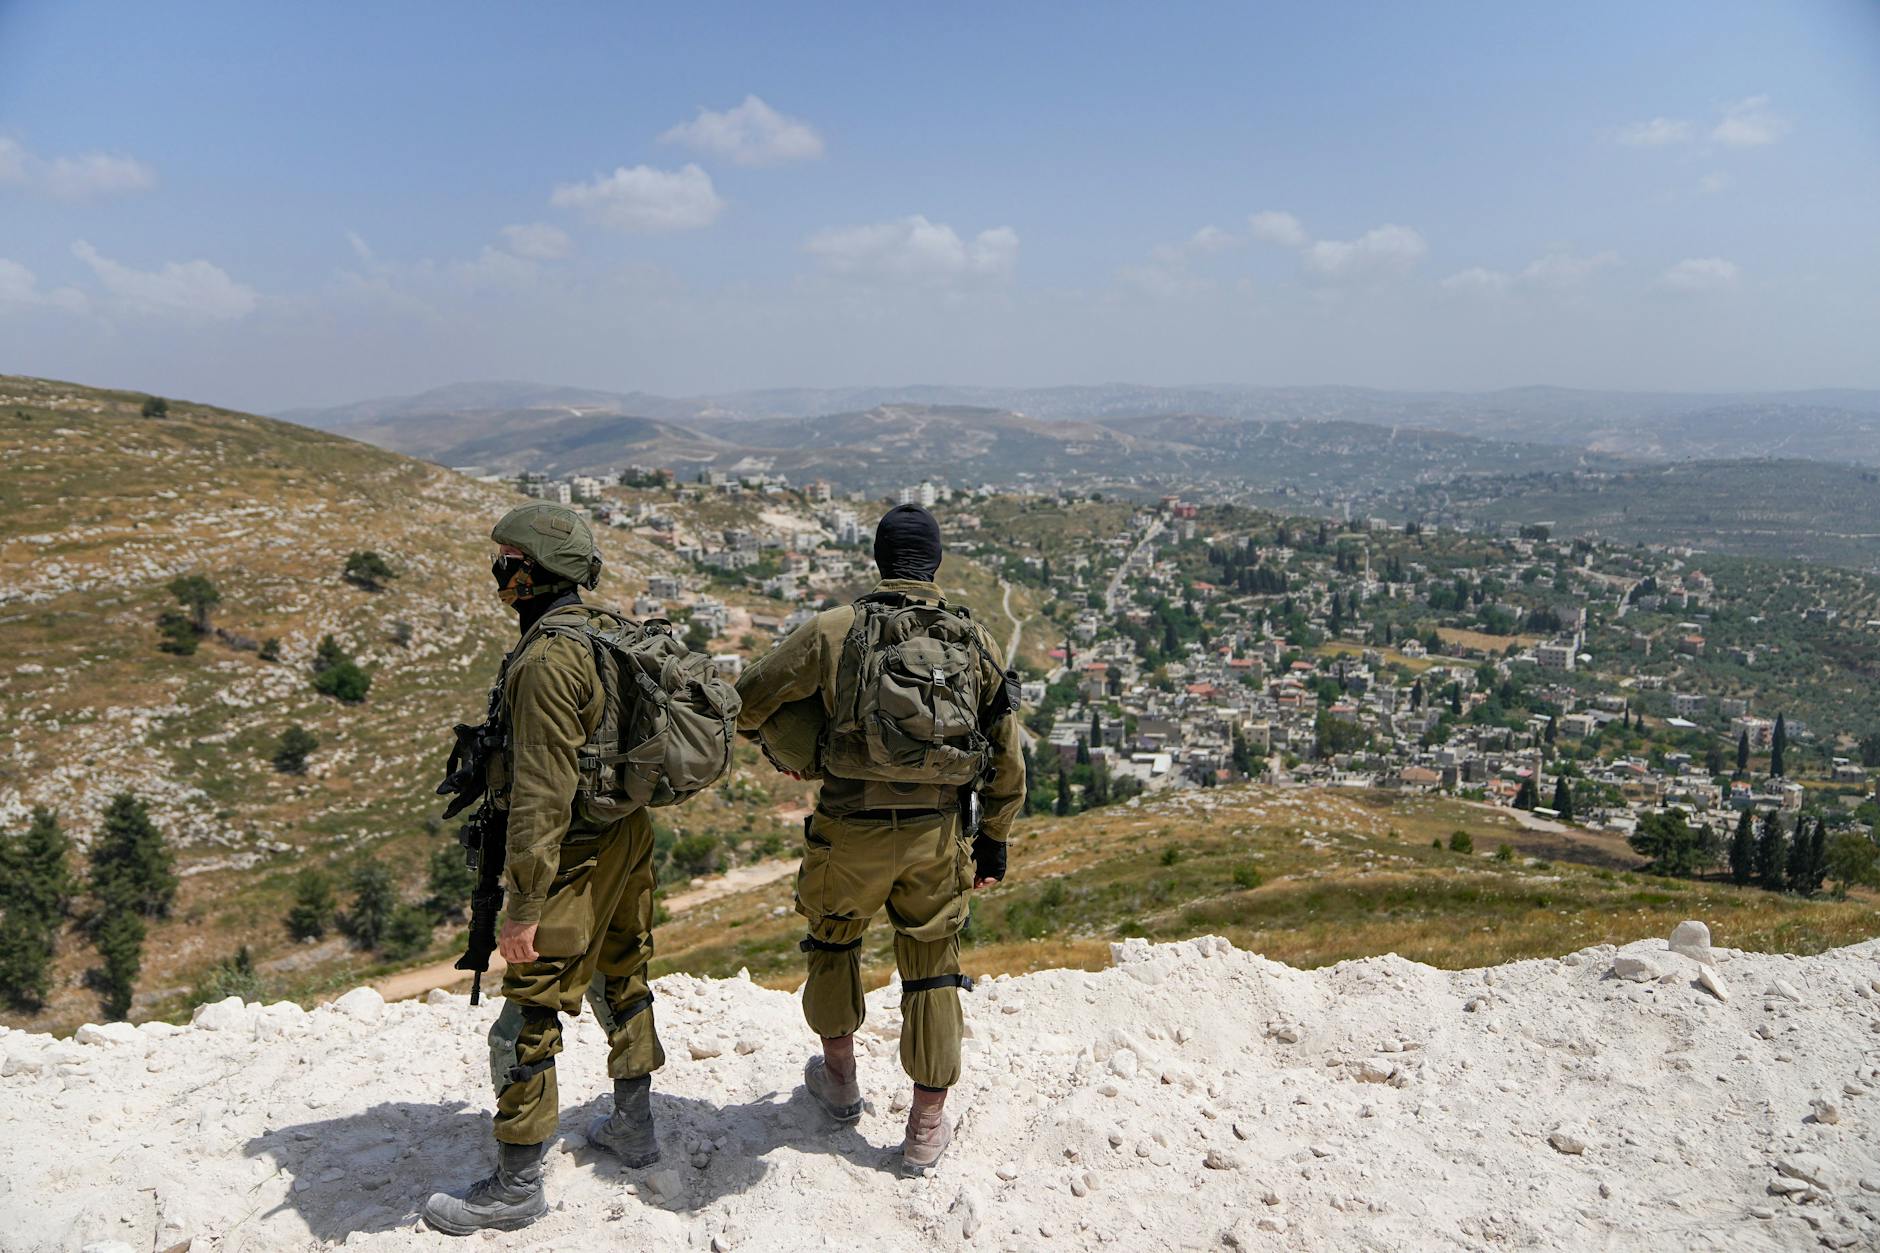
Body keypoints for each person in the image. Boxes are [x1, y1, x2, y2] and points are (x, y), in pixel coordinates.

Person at [735, 503, 1025, 1174]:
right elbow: (1006, 754)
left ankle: (839, 1083)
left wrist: (797, 747)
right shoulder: (976, 640)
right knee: (933, 967)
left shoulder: (833, 629)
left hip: (849, 829)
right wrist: (995, 839)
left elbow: (746, 700)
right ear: (936, 563)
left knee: (833, 941)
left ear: (878, 558)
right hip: (937, 834)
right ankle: (924, 1128)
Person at [423, 503, 667, 1235]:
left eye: (508, 559)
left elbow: (540, 793)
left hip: (573, 850)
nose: (499, 570)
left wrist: (524, 906)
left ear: (532, 571)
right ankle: (634, 1128)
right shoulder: (605, 631)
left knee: (528, 1008)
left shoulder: (544, 662)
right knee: (621, 970)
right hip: (627, 834)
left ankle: (517, 1185)